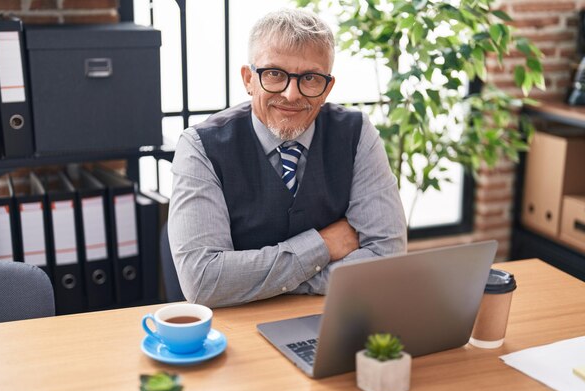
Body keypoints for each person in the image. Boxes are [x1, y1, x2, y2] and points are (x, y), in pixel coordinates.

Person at [168, 8, 406, 308]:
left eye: (310, 78)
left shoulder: (357, 133)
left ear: (327, 88)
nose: (292, 95)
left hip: (330, 317)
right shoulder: (200, 146)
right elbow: (203, 280)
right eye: (275, 74)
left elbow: (387, 260)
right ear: (248, 79)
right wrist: (324, 246)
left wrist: (273, 283)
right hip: (233, 329)